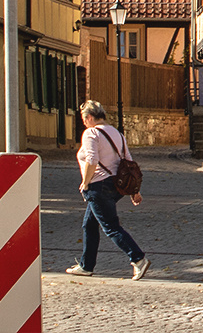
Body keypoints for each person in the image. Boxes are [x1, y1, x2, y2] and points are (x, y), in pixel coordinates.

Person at [66, 100, 150, 279]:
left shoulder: (91, 133)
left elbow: (92, 160)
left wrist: (85, 184)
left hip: (98, 185)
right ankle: (86, 265)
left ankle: (138, 259)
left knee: (111, 227)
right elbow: (128, 161)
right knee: (89, 224)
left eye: (83, 118)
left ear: (89, 117)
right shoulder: (116, 133)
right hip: (116, 185)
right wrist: (135, 190)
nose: (83, 122)